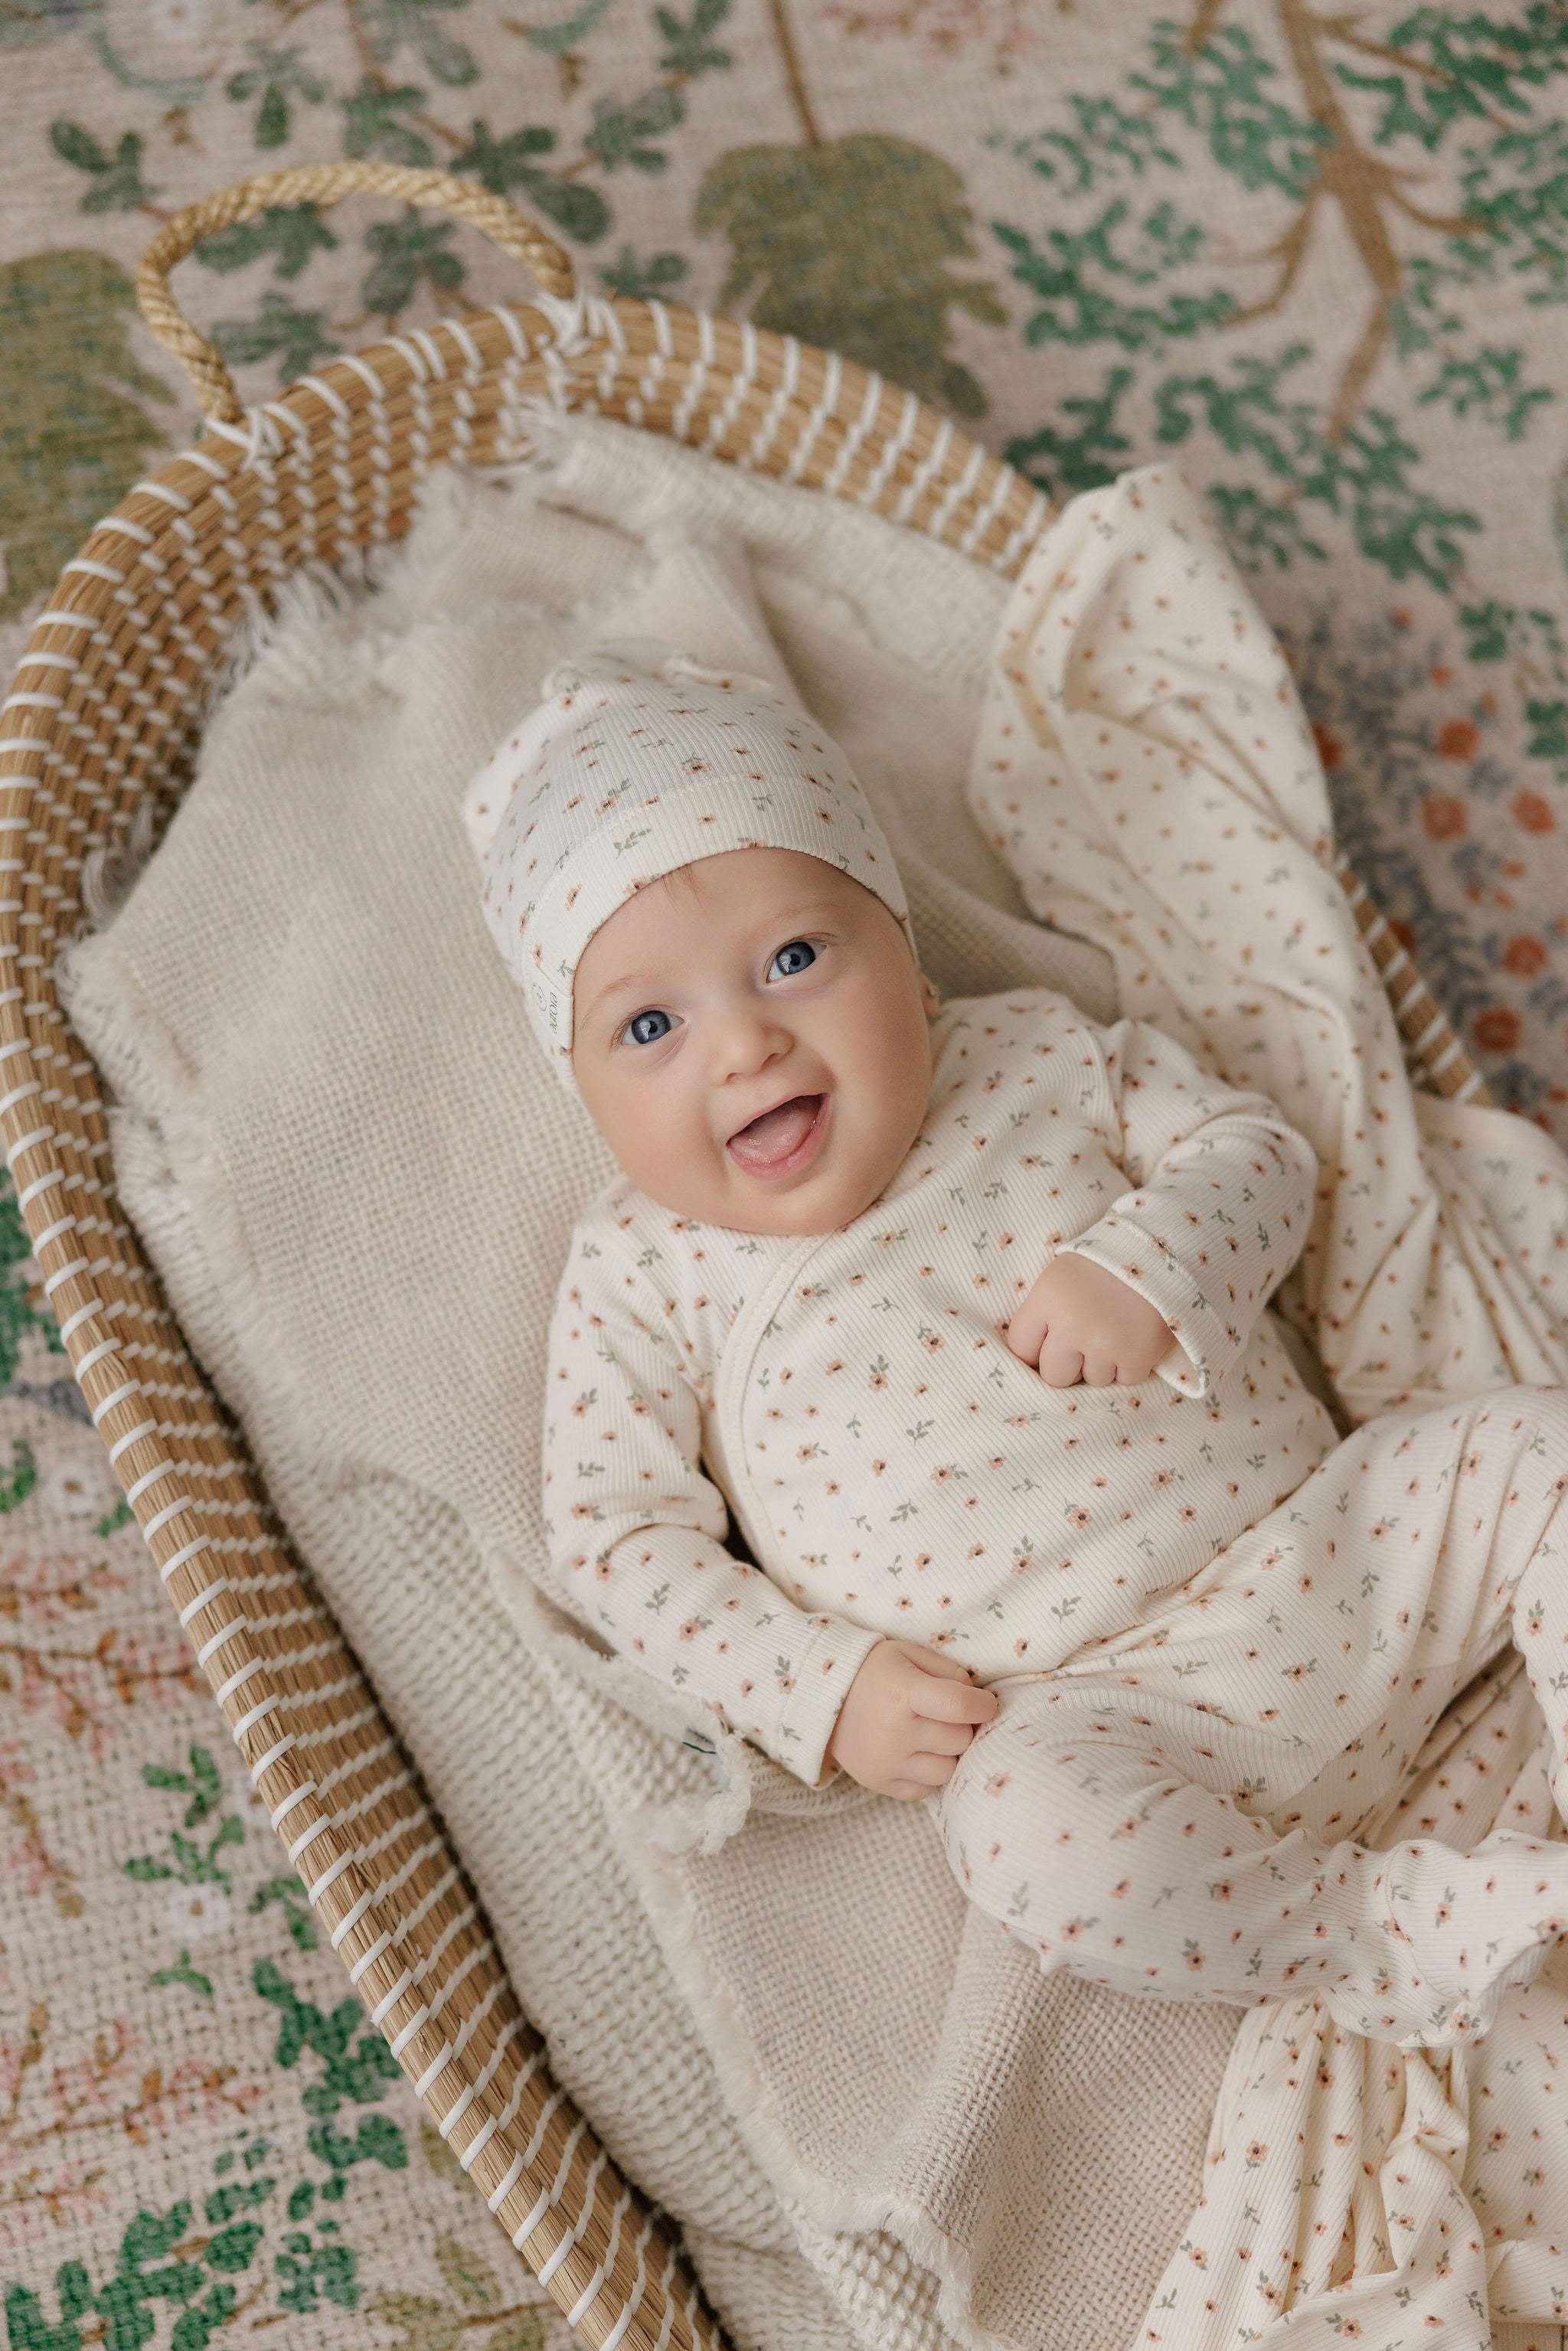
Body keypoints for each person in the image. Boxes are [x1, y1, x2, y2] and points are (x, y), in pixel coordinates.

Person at [466, 641, 1568, 2052]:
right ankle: (1381, 1930)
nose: (742, 1046)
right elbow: (617, 1533)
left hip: (1337, 1548)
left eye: (795, 959)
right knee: (1029, 1843)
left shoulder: (1039, 1056)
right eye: (649, 1026)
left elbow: (1254, 1150)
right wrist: (820, 1686)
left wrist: (1155, 1262)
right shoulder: (644, 1271)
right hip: (1100, 1714)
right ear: (586, 1098)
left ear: (908, 958)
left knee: (1535, 1448)